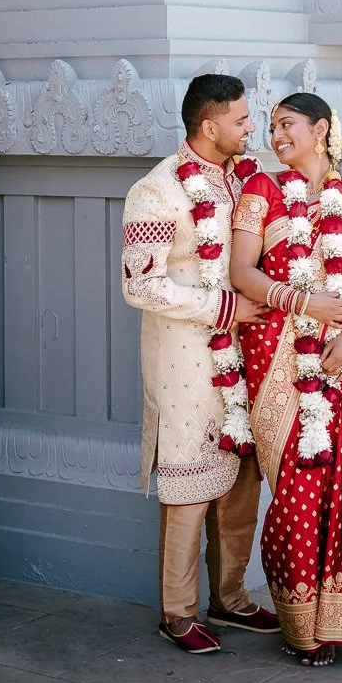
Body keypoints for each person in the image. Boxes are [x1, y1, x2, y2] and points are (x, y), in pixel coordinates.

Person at [230, 92, 342, 666]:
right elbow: (241, 271)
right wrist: (301, 300)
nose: (276, 135)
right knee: (298, 487)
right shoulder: (260, 192)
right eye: (271, 126)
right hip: (279, 358)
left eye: (287, 124)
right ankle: (303, 626)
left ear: (321, 129)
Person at [121, 74, 280, 653]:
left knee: (242, 475)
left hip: (249, 349)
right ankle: (177, 612)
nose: (251, 127)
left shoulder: (245, 177)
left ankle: (232, 599)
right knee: (189, 478)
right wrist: (221, 307)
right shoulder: (157, 191)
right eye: (241, 120)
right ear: (208, 126)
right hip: (187, 357)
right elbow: (140, 285)